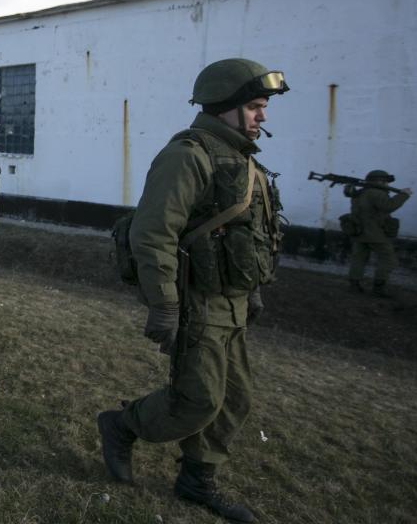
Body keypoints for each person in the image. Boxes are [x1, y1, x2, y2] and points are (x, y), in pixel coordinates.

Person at [97, 59, 288, 523]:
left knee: (234, 399)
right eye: (255, 107)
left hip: (233, 303)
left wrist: (254, 291)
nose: (262, 117)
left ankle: (196, 480)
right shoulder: (188, 155)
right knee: (197, 400)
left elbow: (257, 235)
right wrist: (164, 304)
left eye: (264, 108)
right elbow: (153, 234)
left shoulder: (246, 163)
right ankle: (122, 425)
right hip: (197, 303)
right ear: (225, 106)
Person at [345, 170, 411, 297]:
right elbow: (388, 206)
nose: (387, 184)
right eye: (385, 181)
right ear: (380, 181)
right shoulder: (376, 193)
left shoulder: (360, 192)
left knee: (358, 259)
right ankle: (378, 289)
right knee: (388, 260)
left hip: (359, 232)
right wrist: (403, 195)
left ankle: (354, 285)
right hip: (375, 234)